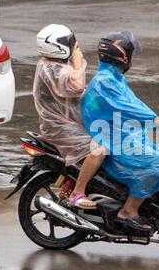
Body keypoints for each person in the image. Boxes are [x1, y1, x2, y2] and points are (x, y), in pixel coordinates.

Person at [82, 31, 159, 231]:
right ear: (121, 56)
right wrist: (157, 120)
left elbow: (134, 103)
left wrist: (157, 118)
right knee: (156, 163)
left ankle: (149, 204)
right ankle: (128, 211)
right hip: (109, 137)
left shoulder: (114, 78)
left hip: (120, 132)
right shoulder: (105, 82)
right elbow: (126, 108)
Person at [33, 24, 105, 209]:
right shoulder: (51, 68)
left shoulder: (55, 65)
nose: (76, 46)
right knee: (99, 149)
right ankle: (77, 193)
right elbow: (75, 86)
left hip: (67, 121)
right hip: (59, 127)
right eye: (72, 43)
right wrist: (78, 62)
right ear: (59, 47)